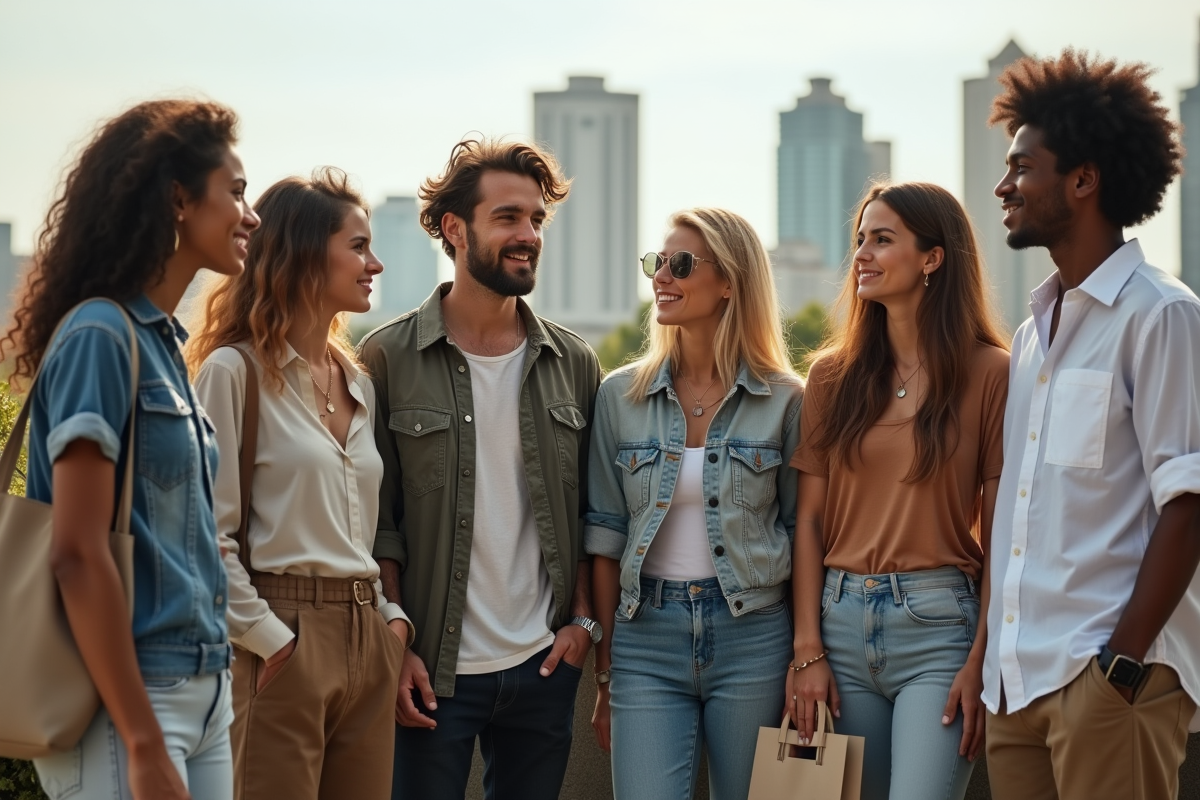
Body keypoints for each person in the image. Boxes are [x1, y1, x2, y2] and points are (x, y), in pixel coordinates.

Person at [0, 99, 259, 800]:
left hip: (202, 689)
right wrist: (142, 737)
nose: (250, 212)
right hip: (132, 701)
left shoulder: (164, 346)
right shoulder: (99, 337)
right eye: (235, 191)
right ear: (179, 200)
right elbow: (78, 550)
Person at [982, 49, 1200, 800]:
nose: (1003, 187)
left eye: (1022, 168)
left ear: (1083, 180)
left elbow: (1190, 502)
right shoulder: (1033, 334)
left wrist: (1122, 665)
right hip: (1017, 688)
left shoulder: (1162, 315)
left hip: (1106, 683)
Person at [358, 138, 602, 800]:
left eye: (536, 221)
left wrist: (582, 624)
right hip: (431, 672)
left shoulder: (573, 363)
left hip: (543, 667)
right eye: (508, 218)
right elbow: (377, 525)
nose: (528, 236)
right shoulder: (385, 360)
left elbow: (590, 512)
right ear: (454, 229)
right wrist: (395, 644)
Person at [187, 168, 412, 800]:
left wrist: (390, 625)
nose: (376, 263)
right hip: (280, 636)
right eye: (359, 246)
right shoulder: (234, 373)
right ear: (305, 255)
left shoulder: (357, 381)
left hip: (368, 637)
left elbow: (361, 533)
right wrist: (269, 640)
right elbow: (206, 535)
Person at [789, 182, 1009, 800]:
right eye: (860, 239)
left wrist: (981, 659)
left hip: (939, 629)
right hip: (838, 624)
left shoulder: (992, 373)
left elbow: (1002, 533)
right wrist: (807, 651)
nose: (862, 253)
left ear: (933, 257)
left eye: (882, 240)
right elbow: (808, 522)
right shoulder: (831, 376)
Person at [585, 208, 803, 799]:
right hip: (645, 638)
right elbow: (604, 534)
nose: (662, 277)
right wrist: (604, 672)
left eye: (680, 264)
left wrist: (805, 659)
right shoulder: (619, 395)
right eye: (657, 263)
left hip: (754, 635)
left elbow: (800, 530)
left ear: (730, 281)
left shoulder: (786, 402)